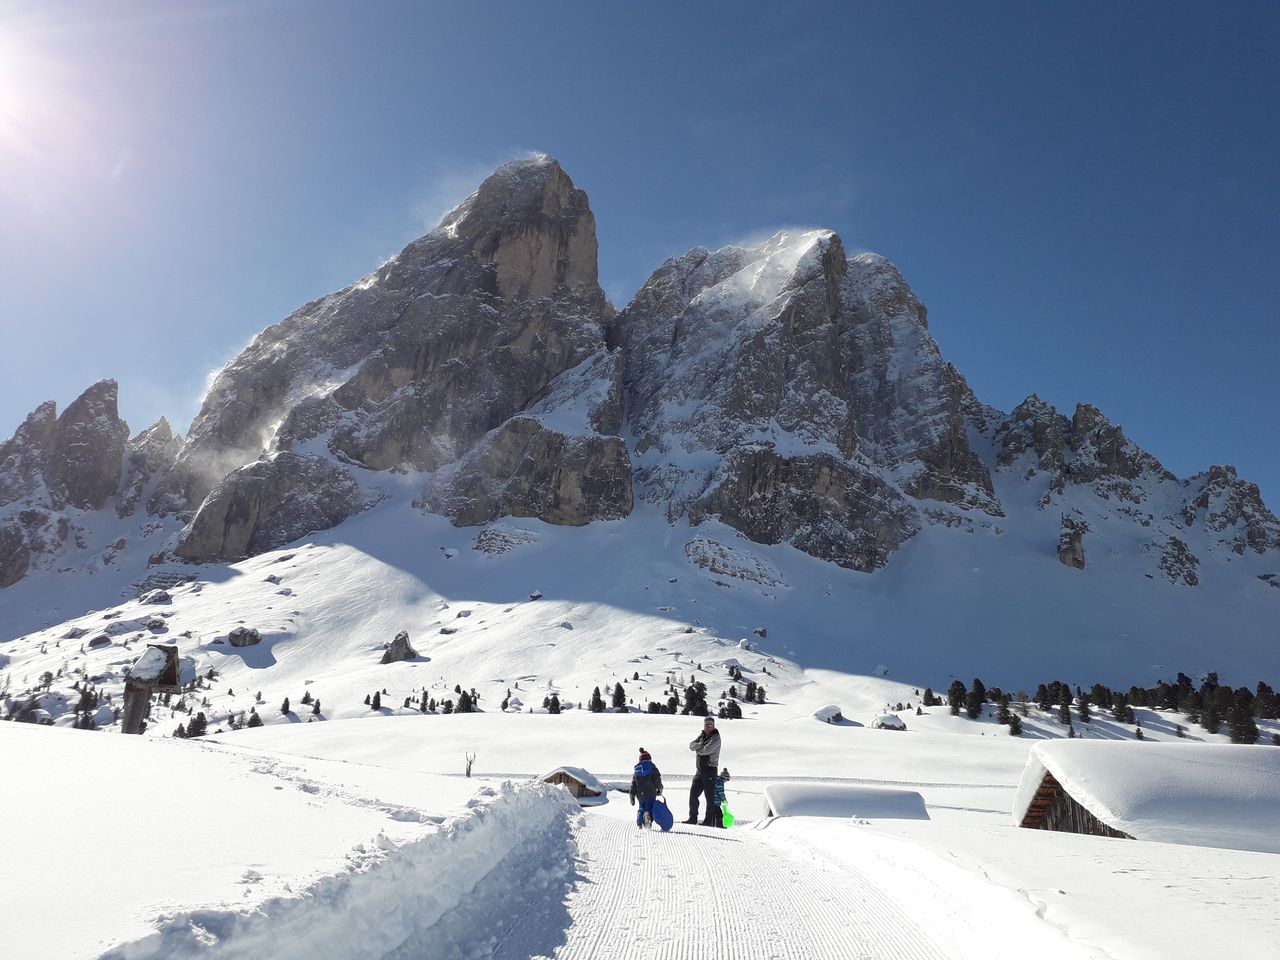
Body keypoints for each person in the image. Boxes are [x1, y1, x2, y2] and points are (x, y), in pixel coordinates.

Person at [684, 715, 722, 826]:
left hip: (710, 770)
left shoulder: (716, 737)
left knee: (709, 797)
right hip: (700, 771)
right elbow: (691, 746)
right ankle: (692, 818)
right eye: (706, 725)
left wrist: (698, 749)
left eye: (710, 725)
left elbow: (706, 750)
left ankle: (708, 821)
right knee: (693, 794)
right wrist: (699, 745)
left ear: (713, 726)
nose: (708, 727)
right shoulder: (702, 736)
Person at [630, 747, 663, 829]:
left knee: (641, 807)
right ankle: (647, 817)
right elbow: (657, 780)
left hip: (640, 794)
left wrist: (632, 794)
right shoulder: (653, 769)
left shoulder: (637, 771)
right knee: (649, 807)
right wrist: (660, 789)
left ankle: (639, 821)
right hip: (651, 793)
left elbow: (633, 784)